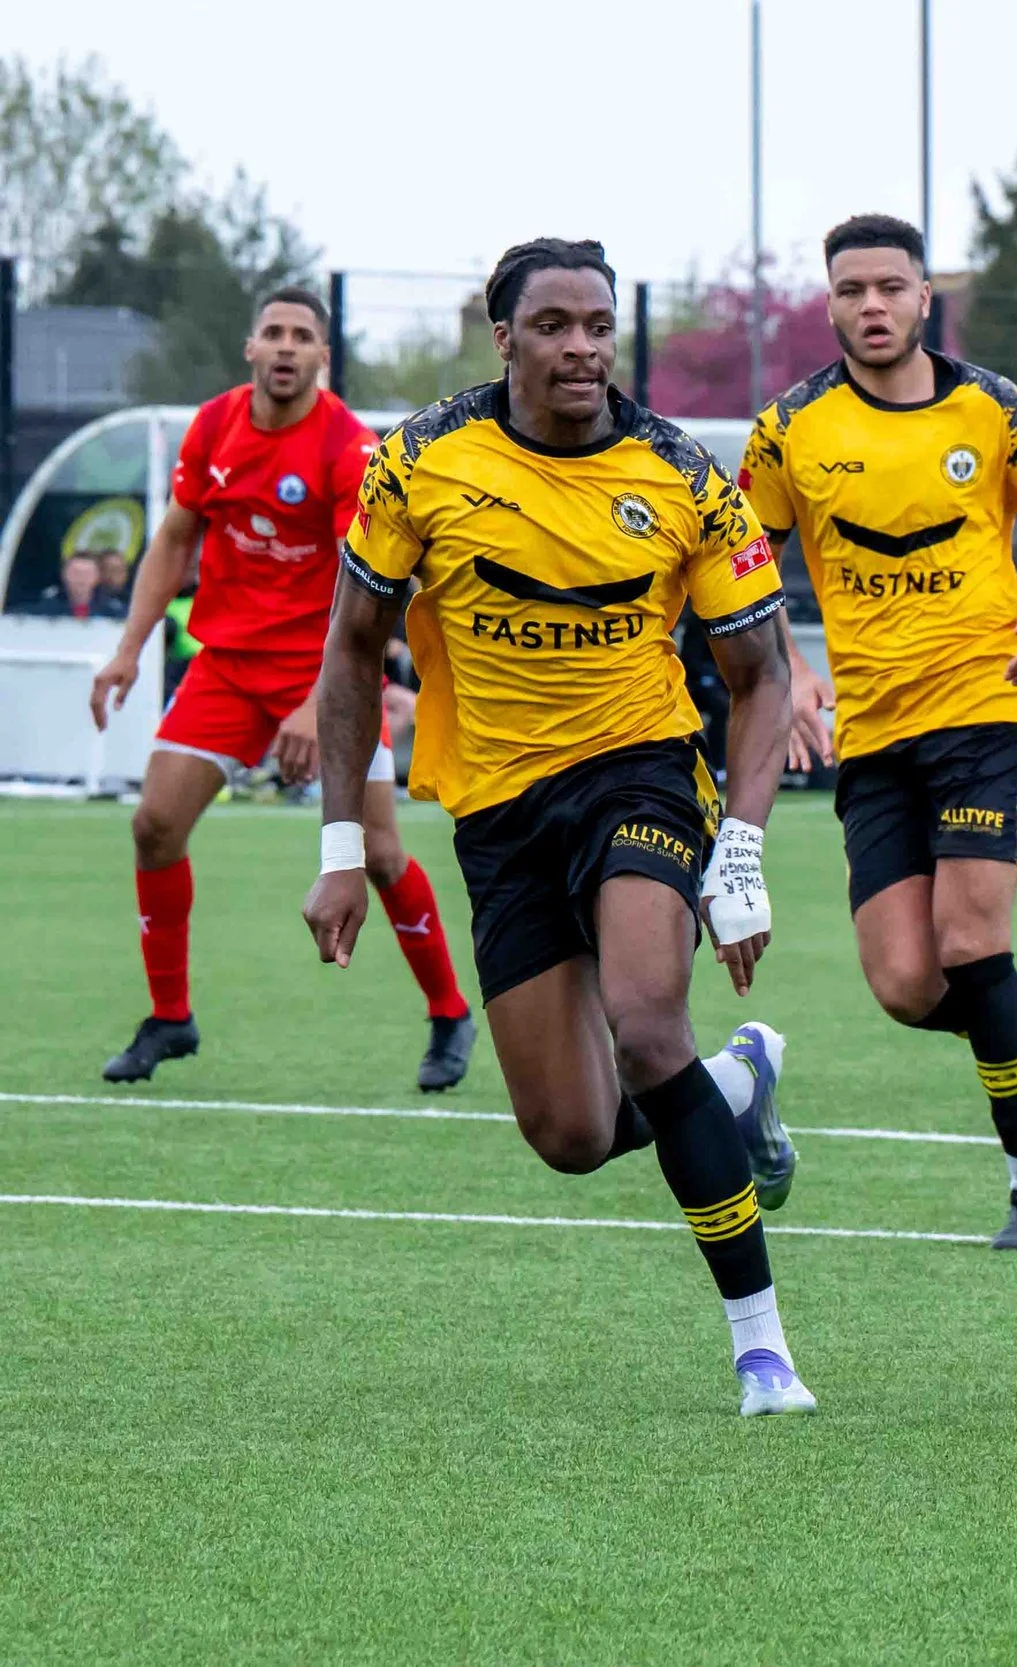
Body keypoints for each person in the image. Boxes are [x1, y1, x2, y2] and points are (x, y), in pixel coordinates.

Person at [300, 238, 813, 1417]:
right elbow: (347, 651)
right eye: (555, 326)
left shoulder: (687, 475)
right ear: (506, 338)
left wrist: (738, 853)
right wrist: (339, 851)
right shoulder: (419, 461)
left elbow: (761, 675)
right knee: (574, 1134)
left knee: (645, 1020)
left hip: (638, 777)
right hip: (496, 809)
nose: (581, 347)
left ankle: (762, 1346)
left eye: (598, 325)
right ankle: (736, 1081)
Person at [743, 213, 1017, 1251]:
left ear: (922, 298)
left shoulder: (990, 407)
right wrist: (795, 668)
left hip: (989, 703)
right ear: (830, 303)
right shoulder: (789, 429)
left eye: (890, 287)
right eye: (851, 289)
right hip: (873, 726)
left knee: (968, 940)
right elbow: (744, 565)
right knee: (908, 984)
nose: (872, 306)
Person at [87, 286, 473, 1090]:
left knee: (377, 851)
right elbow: (175, 539)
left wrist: (314, 701)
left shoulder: (348, 447)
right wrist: (128, 650)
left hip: (326, 670)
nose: (288, 346)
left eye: (304, 335)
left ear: (323, 358)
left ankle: (448, 1012)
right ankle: (170, 1018)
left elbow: (360, 585)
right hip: (227, 665)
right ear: (251, 348)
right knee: (154, 825)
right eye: (275, 333)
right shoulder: (214, 425)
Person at [27, 551, 125, 619]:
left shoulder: (114, 611)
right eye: (76, 573)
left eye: (87, 574)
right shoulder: (44, 609)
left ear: (97, 577)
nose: (81, 578)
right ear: (64, 575)